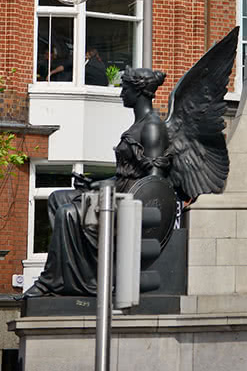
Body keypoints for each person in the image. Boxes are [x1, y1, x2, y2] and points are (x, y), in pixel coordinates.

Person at [25, 68, 169, 297]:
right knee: (56, 199)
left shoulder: (152, 126)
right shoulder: (138, 124)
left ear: (139, 91)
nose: (121, 93)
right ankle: (79, 269)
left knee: (68, 213)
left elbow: (154, 181)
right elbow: (124, 175)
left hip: (129, 203)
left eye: (125, 89)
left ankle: (50, 281)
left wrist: (124, 204)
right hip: (118, 191)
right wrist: (93, 185)